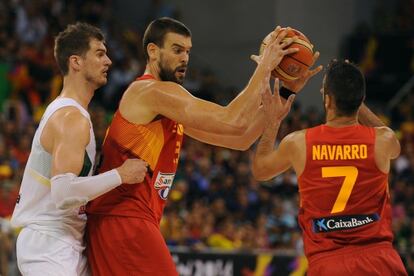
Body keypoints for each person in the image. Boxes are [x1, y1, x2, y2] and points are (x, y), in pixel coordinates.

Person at [85, 17, 321, 276]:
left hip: (126, 221)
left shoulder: (167, 106)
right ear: (153, 51)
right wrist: (265, 66)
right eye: (177, 50)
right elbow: (232, 118)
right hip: (123, 220)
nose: (185, 58)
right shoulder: (150, 92)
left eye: (188, 51)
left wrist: (286, 91)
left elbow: (239, 138)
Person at [10, 22, 148, 276]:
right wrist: (122, 174)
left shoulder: (74, 113)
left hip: (66, 241)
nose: (108, 61)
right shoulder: (71, 118)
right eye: (99, 53)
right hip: (48, 243)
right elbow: (63, 193)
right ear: (76, 62)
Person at [252, 60, 408, 275]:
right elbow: (393, 141)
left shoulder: (299, 143)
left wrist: (272, 121)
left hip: (328, 263)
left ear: (327, 100)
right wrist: (353, 95)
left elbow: (260, 169)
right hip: (379, 261)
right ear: (360, 99)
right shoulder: (383, 140)